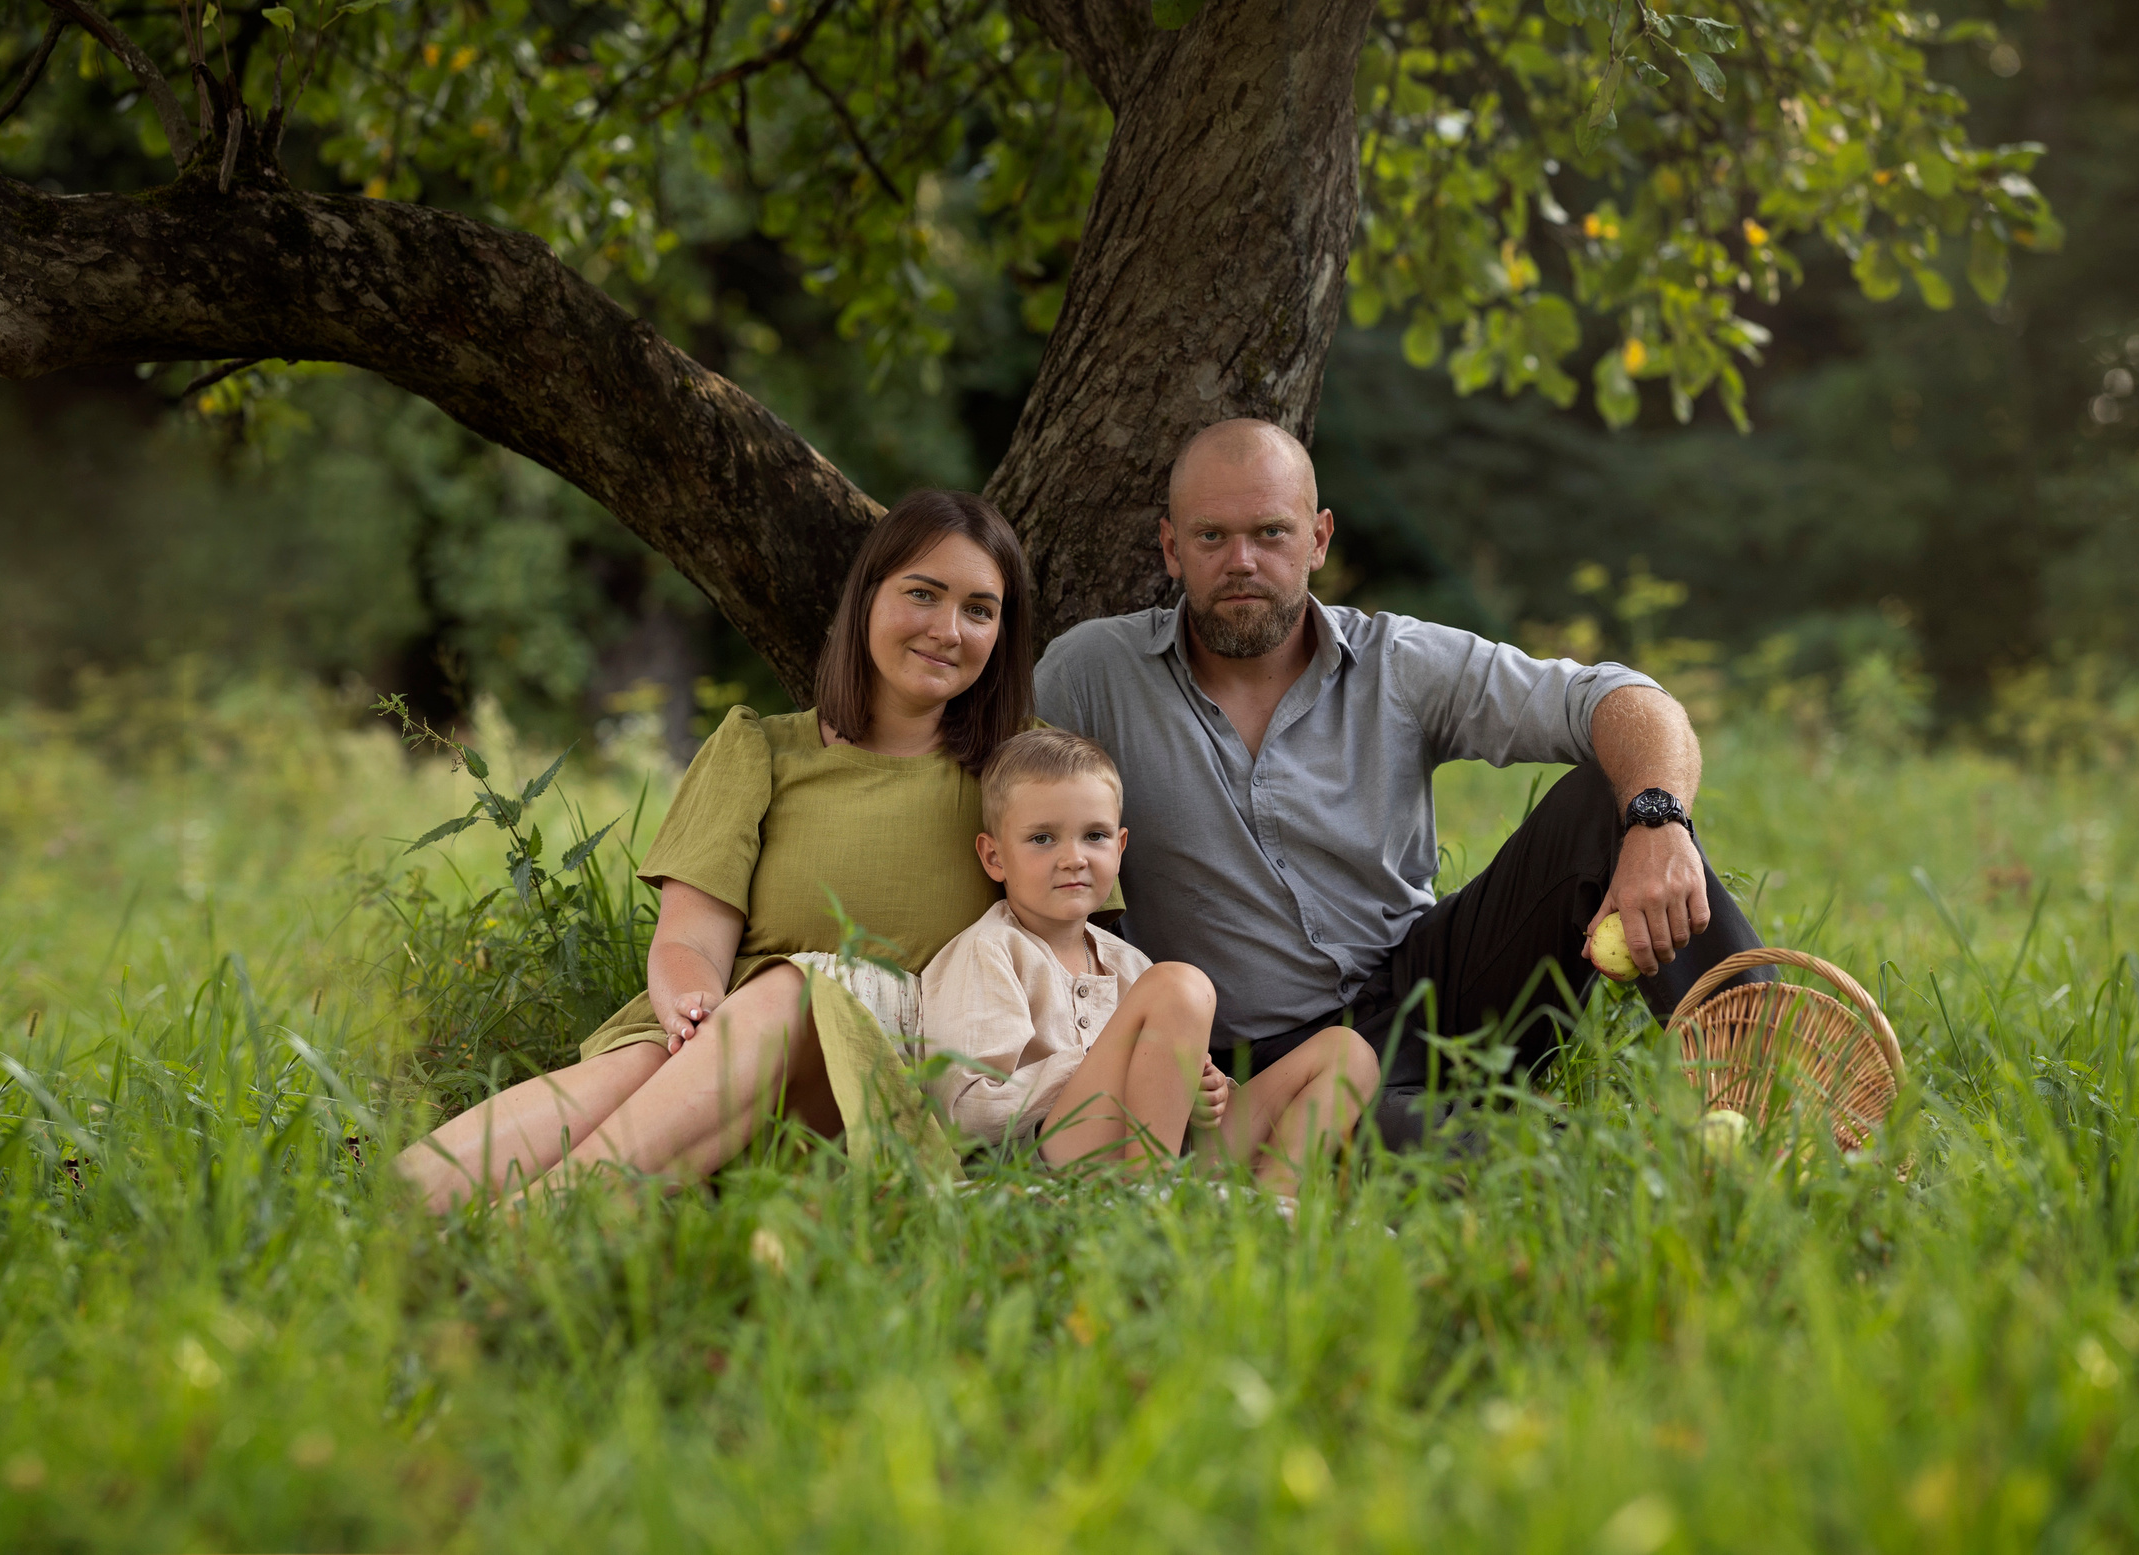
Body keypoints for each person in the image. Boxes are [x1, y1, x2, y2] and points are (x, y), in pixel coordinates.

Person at [1035, 419, 1772, 1148]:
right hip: (1263, 1063)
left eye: (1270, 533)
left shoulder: (1397, 662)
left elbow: (1620, 698)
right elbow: (1010, 824)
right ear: (1171, 547)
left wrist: (1658, 817)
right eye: (1211, 537)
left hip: (1434, 989)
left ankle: (1780, 1098)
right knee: (1516, 1160)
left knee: (1602, 802)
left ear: (1319, 538)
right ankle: (1594, 1152)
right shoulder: (1092, 676)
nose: (1242, 561)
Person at [396, 489, 1033, 1209]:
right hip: (720, 1036)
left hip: (879, 1070)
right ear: (867, 600)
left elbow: (1071, 948)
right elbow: (689, 940)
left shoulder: (1022, 777)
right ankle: (373, 1212)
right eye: (923, 593)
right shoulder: (759, 749)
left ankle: (533, 1230)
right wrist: (695, 1008)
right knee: (627, 1073)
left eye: (979, 609)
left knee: (797, 989)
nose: (948, 628)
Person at [918, 728, 1376, 1192]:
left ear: (1118, 849)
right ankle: (1145, 1210)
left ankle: (1275, 1204)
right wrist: (1104, 1061)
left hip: (1170, 1151)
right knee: (1180, 986)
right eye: (1042, 839)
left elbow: (1170, 1086)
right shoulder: (992, 950)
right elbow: (966, 1112)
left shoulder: (1127, 963)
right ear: (994, 857)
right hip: (1048, 1164)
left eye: (1094, 836)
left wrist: (1205, 1090)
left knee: (1348, 1052)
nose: (1073, 857)